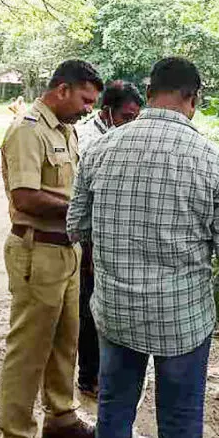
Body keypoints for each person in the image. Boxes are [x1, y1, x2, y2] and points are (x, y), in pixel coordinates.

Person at [67, 57, 219, 438]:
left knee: (114, 409)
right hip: (182, 318)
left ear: (149, 94)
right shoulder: (214, 160)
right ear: (193, 99)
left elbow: (77, 226)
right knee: (181, 418)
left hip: (117, 310)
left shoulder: (101, 150)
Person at [0, 59, 103, 438]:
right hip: (37, 251)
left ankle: (61, 418)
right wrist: (81, 208)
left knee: (65, 341)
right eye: (85, 99)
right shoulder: (28, 131)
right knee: (29, 349)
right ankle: (16, 433)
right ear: (62, 90)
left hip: (66, 251)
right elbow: (25, 197)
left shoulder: (66, 130)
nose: (88, 108)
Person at [73, 79, 144, 398]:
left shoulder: (122, 136)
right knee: (89, 307)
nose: (132, 123)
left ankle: (108, 372)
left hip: (118, 235)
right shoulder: (89, 140)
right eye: (127, 116)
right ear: (107, 113)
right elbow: (82, 202)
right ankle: (89, 377)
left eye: (136, 117)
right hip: (91, 237)